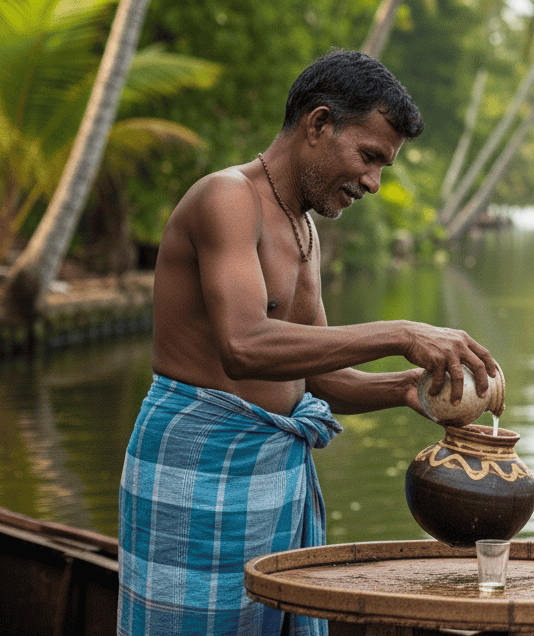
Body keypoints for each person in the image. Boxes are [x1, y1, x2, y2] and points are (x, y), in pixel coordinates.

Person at [118, 49, 500, 636]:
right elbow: (243, 346)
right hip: (198, 468)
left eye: (384, 168)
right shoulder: (227, 199)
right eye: (369, 157)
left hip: (277, 477)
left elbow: (316, 381)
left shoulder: (305, 230)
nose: (373, 182)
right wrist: (401, 333)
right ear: (319, 124)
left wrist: (407, 389)